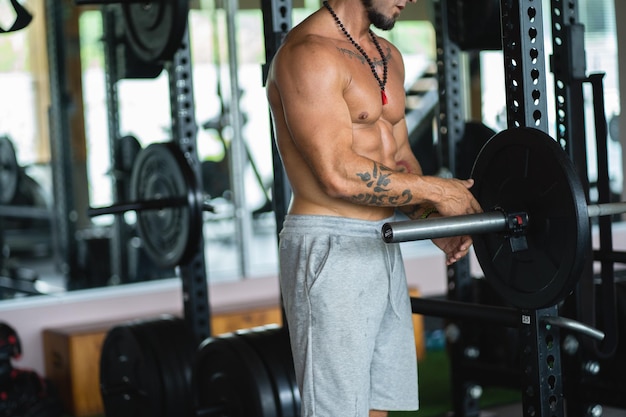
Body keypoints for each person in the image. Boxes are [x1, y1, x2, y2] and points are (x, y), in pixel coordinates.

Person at [265, 0, 482, 415]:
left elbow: (399, 160)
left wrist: (432, 222)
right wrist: (439, 191)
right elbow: (337, 174)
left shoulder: (388, 56)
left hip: (384, 241)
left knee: (378, 406)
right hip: (331, 245)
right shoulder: (307, 55)